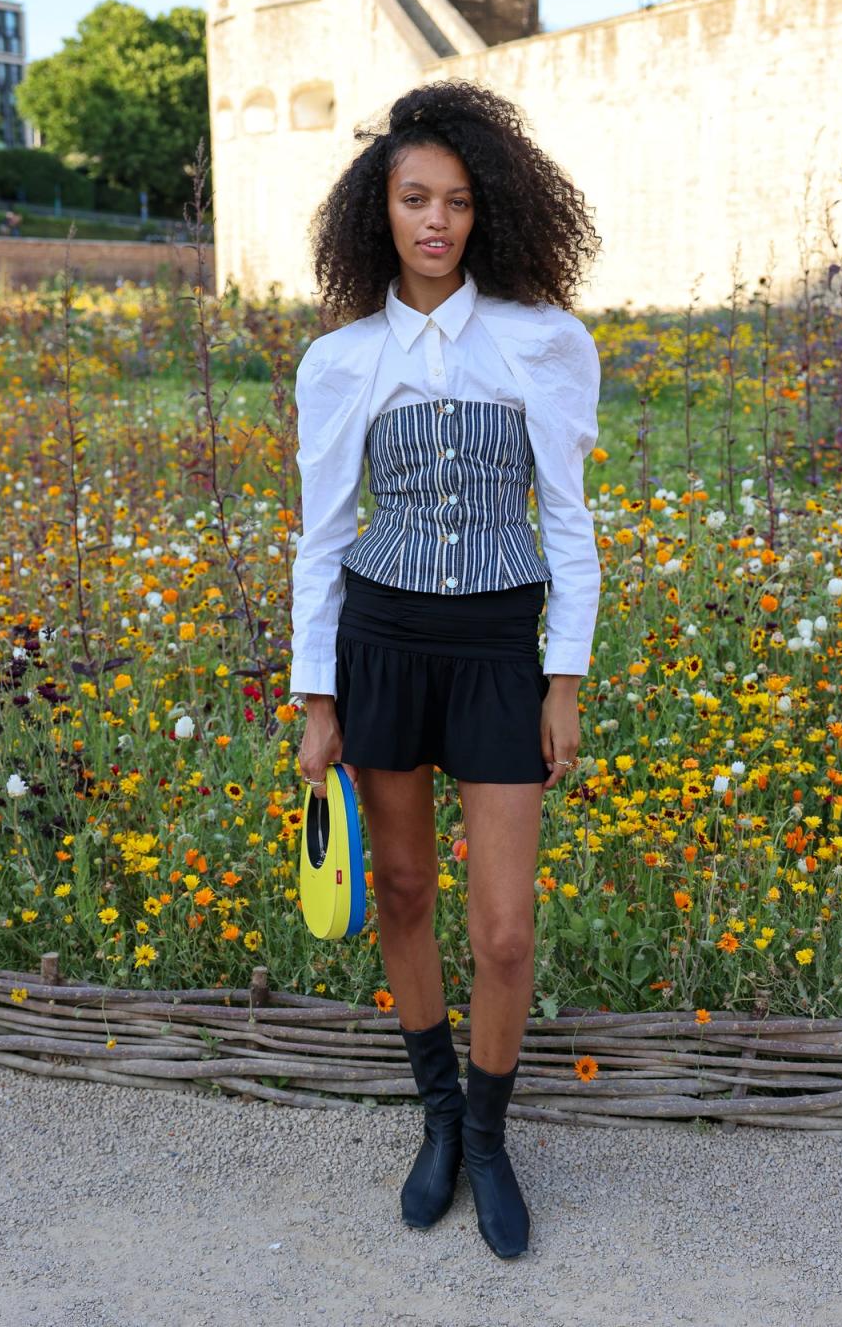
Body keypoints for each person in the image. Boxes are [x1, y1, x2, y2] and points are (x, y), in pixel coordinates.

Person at [289, 79, 602, 1260]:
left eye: (456, 202)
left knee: (507, 926)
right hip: (380, 644)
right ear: (380, 210)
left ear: (487, 213)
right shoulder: (341, 361)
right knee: (407, 892)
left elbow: (567, 521)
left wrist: (560, 678)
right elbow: (322, 533)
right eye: (415, 199)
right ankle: (435, 1120)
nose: (435, 221)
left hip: (493, 651)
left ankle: (490, 1129)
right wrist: (315, 697)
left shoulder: (543, 341)